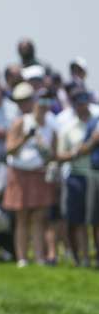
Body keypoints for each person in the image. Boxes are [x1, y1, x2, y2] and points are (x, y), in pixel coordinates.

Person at [3, 83, 57, 267]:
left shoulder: (51, 123)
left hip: (40, 174)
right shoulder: (21, 122)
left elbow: (53, 154)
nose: (43, 105)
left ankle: (40, 257)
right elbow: (9, 149)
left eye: (47, 101)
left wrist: (44, 148)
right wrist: (25, 138)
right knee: (22, 218)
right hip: (20, 173)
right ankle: (22, 258)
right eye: (40, 101)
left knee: (39, 218)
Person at [57, 89, 99, 267]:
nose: (82, 106)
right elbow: (59, 155)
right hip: (77, 177)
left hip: (96, 176)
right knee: (78, 221)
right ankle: (83, 258)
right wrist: (83, 149)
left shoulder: (96, 121)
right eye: (78, 103)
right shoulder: (68, 128)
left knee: (95, 221)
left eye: (84, 102)